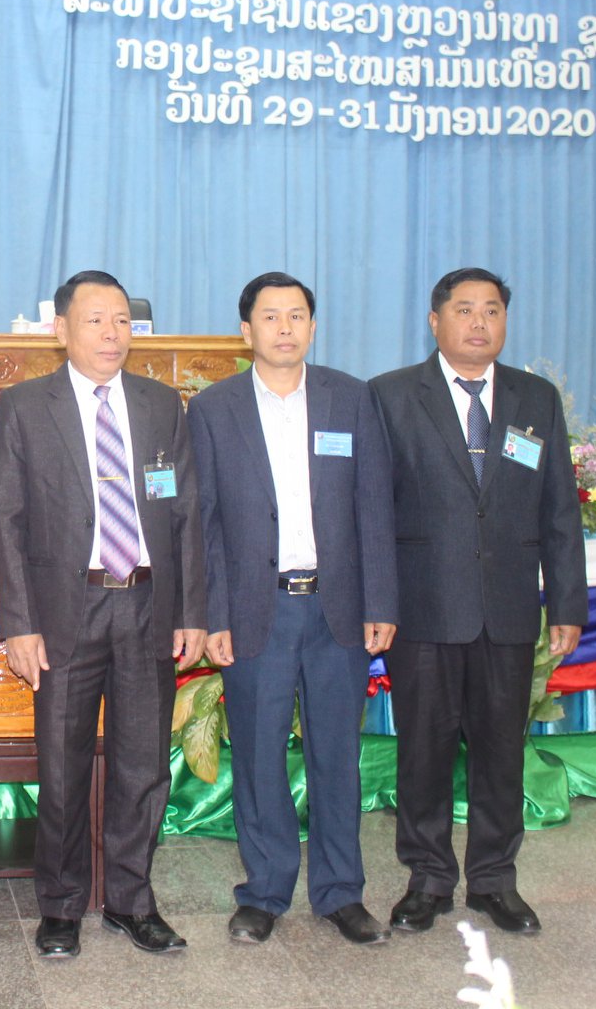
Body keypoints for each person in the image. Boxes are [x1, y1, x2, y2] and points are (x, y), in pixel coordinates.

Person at [0, 270, 206, 959]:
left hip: (147, 604)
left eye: (122, 321)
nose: (112, 334)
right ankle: (60, 906)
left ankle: (131, 902)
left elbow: (186, 513)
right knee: (62, 765)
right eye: (95, 320)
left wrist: (191, 611)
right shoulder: (26, 406)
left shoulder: (160, 403)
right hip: (65, 609)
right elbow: (8, 520)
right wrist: (18, 624)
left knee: (144, 765)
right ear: (61, 330)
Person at [368, 269, 586, 937]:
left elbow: (559, 505)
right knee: (424, 753)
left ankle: (494, 880)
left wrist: (567, 603)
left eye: (491, 310)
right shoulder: (391, 395)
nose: (479, 322)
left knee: (501, 755)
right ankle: (428, 880)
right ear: (434, 321)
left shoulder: (535, 398)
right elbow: (371, 511)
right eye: (464, 310)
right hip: (423, 608)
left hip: (508, 607)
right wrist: (378, 601)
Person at [187, 272, 398, 947]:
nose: (285, 328)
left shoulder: (350, 398)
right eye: (271, 316)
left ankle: (341, 893)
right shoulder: (213, 409)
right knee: (258, 757)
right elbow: (204, 522)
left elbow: (374, 505)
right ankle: (265, 891)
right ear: (245, 331)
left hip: (338, 609)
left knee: (337, 756)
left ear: (312, 325)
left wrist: (381, 600)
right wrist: (214, 614)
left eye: (297, 315)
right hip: (258, 610)